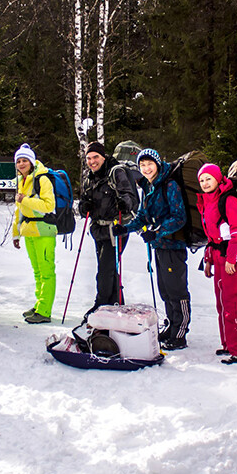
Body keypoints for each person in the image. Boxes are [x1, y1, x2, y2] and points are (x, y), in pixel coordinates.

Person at [119, 148, 191, 350]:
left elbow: (179, 217)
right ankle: (171, 325)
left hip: (173, 246)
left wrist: (157, 231)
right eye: (142, 165)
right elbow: (143, 216)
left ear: (158, 164)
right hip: (159, 246)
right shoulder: (148, 187)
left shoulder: (170, 185)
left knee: (176, 290)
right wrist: (125, 228)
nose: (146, 168)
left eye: (149, 164)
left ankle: (180, 333)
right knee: (165, 290)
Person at [196, 163, 237, 364]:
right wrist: (208, 260)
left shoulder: (228, 200)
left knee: (233, 303)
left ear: (218, 178)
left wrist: (231, 258)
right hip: (219, 257)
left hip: (233, 259)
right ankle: (229, 344)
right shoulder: (207, 201)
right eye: (201, 180)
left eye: (208, 179)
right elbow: (213, 236)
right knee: (222, 303)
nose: (205, 183)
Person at [76, 141, 137, 315]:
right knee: (109, 270)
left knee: (105, 270)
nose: (92, 161)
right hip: (98, 230)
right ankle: (116, 304)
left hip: (115, 230)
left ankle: (101, 305)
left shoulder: (116, 172)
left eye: (95, 157)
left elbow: (129, 196)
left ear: (103, 157)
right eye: (89, 158)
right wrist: (84, 207)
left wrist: (123, 203)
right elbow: (82, 203)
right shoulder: (89, 177)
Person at [11, 143, 56, 324]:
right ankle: (39, 305)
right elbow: (19, 210)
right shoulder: (21, 180)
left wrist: (25, 200)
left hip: (44, 230)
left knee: (46, 272)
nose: (21, 164)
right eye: (18, 161)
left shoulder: (42, 179)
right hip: (29, 230)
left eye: (25, 160)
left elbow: (49, 206)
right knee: (37, 272)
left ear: (31, 162)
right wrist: (16, 233)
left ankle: (44, 310)